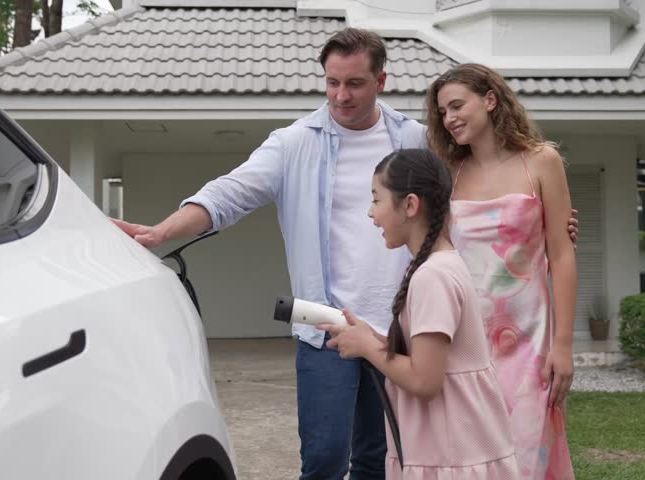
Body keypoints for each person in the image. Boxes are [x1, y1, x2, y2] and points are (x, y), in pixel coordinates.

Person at [112, 29, 578, 479]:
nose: (340, 95)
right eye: (332, 82)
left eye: (354, 83)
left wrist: (549, 223)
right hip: (326, 329)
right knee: (325, 460)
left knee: (383, 459)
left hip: (399, 332)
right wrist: (160, 233)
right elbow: (228, 194)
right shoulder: (295, 143)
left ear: (381, 82)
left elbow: (476, 192)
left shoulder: (417, 140)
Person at [319, 148, 519, 479]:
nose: (371, 214)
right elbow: (431, 357)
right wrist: (372, 338)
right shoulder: (440, 266)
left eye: (376, 200)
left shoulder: (432, 277)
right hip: (456, 450)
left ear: (410, 205)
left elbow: (425, 379)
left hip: (450, 457)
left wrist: (369, 348)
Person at [426, 64, 577, 479]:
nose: (449, 117)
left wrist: (562, 346)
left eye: (457, 105)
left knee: (526, 458)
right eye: (442, 112)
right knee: (472, 462)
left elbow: (562, 256)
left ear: (490, 100)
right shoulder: (448, 174)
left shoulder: (542, 162)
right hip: (466, 343)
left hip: (529, 347)